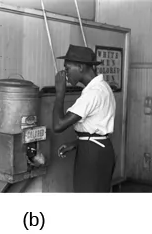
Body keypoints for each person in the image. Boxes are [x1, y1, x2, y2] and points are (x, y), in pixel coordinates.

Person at [52, 45, 117, 192]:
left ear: (80, 67)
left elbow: (58, 125)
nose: (66, 74)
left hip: (93, 154)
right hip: (99, 148)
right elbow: (96, 127)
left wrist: (60, 93)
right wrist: (77, 143)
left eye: (67, 69)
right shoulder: (103, 87)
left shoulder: (93, 93)